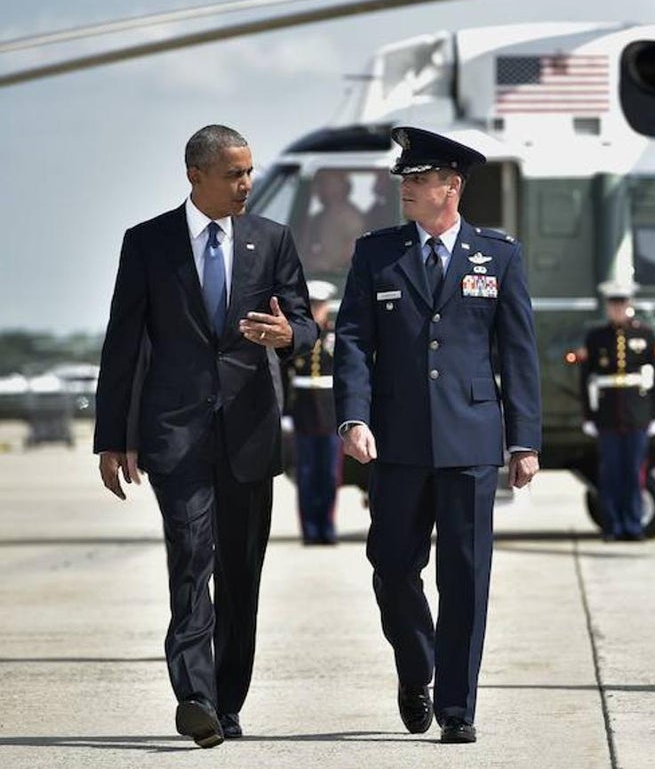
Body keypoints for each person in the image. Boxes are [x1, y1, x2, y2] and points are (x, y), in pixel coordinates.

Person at [93, 125, 318, 747]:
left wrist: (289, 336)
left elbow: (304, 323)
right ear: (196, 175)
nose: (247, 183)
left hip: (249, 432)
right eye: (234, 174)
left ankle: (227, 700)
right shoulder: (148, 243)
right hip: (176, 433)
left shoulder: (273, 238)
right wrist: (112, 436)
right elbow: (123, 342)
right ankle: (194, 697)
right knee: (192, 560)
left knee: (241, 575)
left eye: (249, 171)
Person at [334, 125, 542, 744]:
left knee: (466, 577)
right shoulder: (376, 254)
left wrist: (524, 441)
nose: (406, 188)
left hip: (471, 441)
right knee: (391, 565)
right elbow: (353, 341)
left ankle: (456, 707)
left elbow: (518, 352)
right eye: (405, 179)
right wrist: (353, 416)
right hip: (396, 440)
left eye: (420, 179)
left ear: (452, 187)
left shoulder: (498, 255)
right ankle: (416, 663)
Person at [579, 278, 655, 541]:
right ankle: (613, 526)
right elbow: (586, 378)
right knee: (611, 474)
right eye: (613, 303)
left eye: (622, 303)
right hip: (607, 415)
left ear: (630, 304)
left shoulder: (646, 336)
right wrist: (588, 415)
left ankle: (633, 524)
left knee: (634, 473)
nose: (618, 308)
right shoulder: (596, 338)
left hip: (637, 414)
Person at [286, 279, 342, 545]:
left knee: (330, 475)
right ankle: (309, 530)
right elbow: (286, 374)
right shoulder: (298, 336)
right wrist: (286, 413)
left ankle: (327, 528)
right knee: (306, 475)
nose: (317, 310)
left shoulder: (335, 336)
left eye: (321, 305)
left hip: (331, 414)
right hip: (304, 413)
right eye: (313, 305)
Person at [299, 169, 365, 275]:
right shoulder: (319, 217)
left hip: (335, 276)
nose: (319, 188)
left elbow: (353, 251)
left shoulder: (350, 217)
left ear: (341, 186)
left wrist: (329, 264)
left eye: (325, 183)